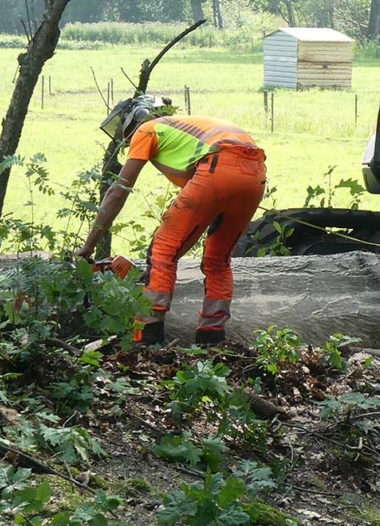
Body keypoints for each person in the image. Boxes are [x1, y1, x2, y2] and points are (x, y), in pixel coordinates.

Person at [73, 95, 268, 347]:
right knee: (218, 261)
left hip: (217, 167)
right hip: (255, 174)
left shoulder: (148, 129)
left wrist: (88, 247)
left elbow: (118, 192)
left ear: (138, 116)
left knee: (163, 251)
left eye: (124, 129)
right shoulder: (185, 128)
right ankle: (212, 338)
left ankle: (148, 334)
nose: (125, 138)